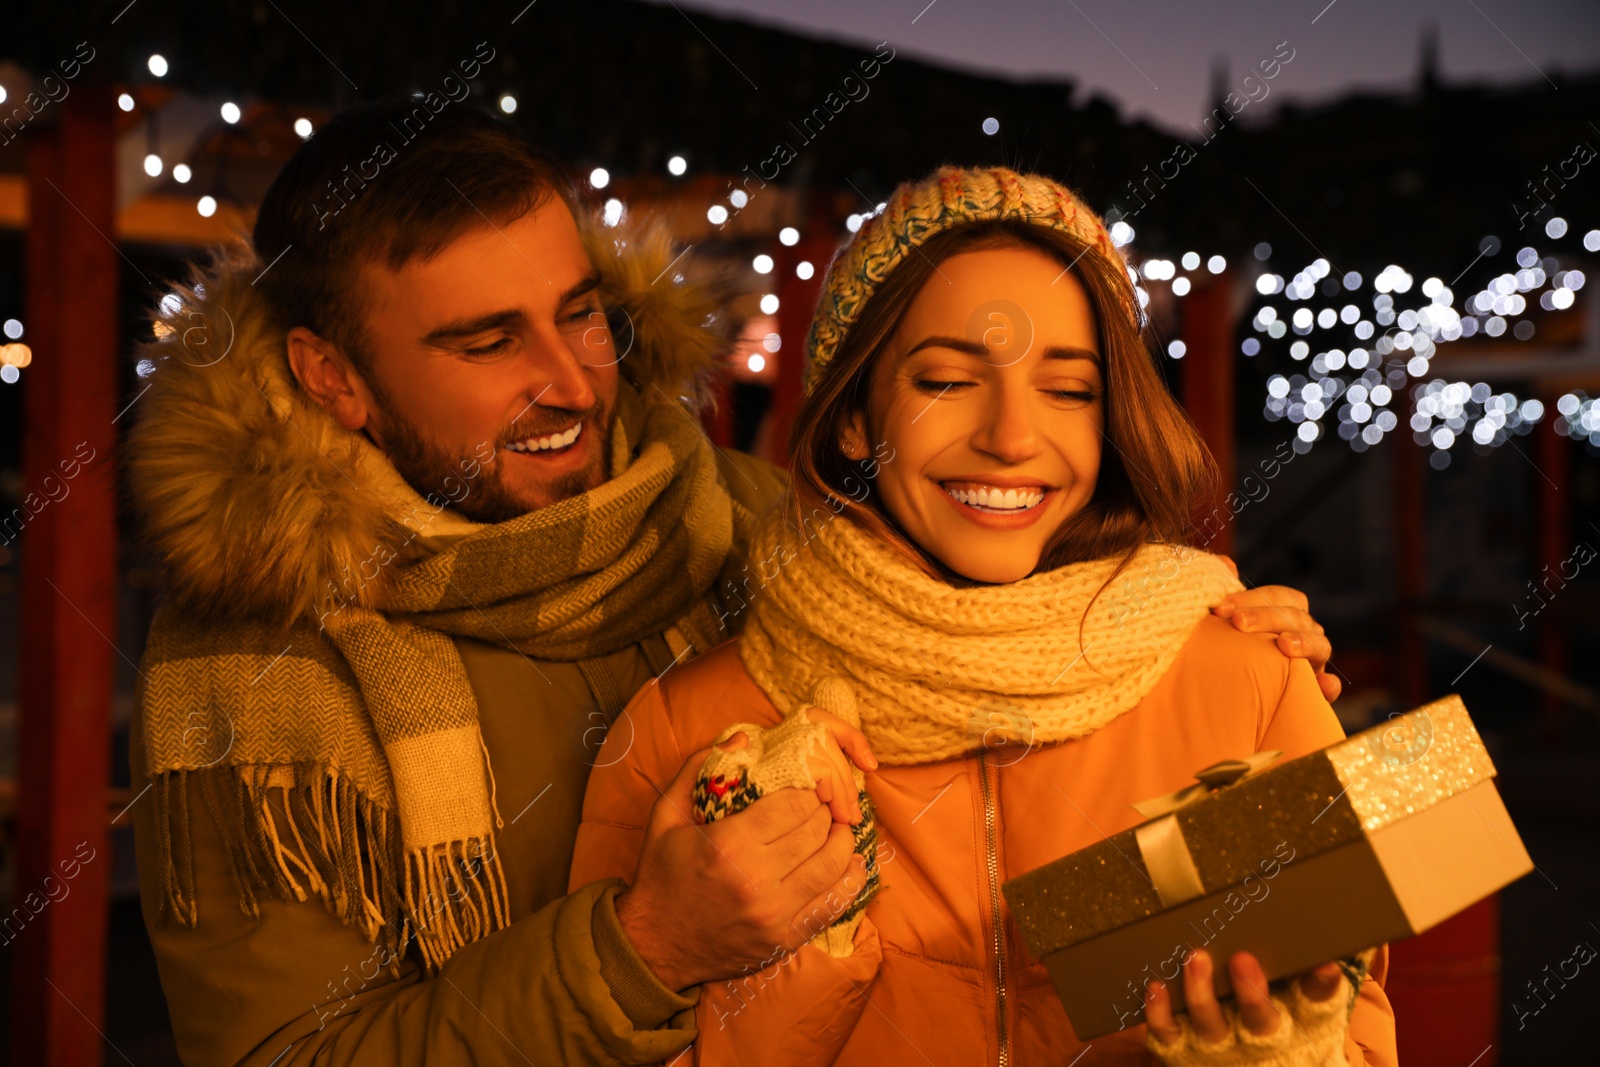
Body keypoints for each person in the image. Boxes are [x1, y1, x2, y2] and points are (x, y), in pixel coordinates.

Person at [124, 99, 1336, 1064]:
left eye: (581, 315)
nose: (572, 382)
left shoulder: (753, 531)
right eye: (488, 341)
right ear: (332, 376)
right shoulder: (259, 677)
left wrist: (1184, 621)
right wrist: (643, 947)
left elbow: (967, 559)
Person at [571, 166, 1398, 1066]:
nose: (1011, 437)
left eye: (1070, 389)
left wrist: (1284, 1054)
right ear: (853, 416)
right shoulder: (684, 729)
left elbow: (1357, 1023)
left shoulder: (1251, 678)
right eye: (948, 380)